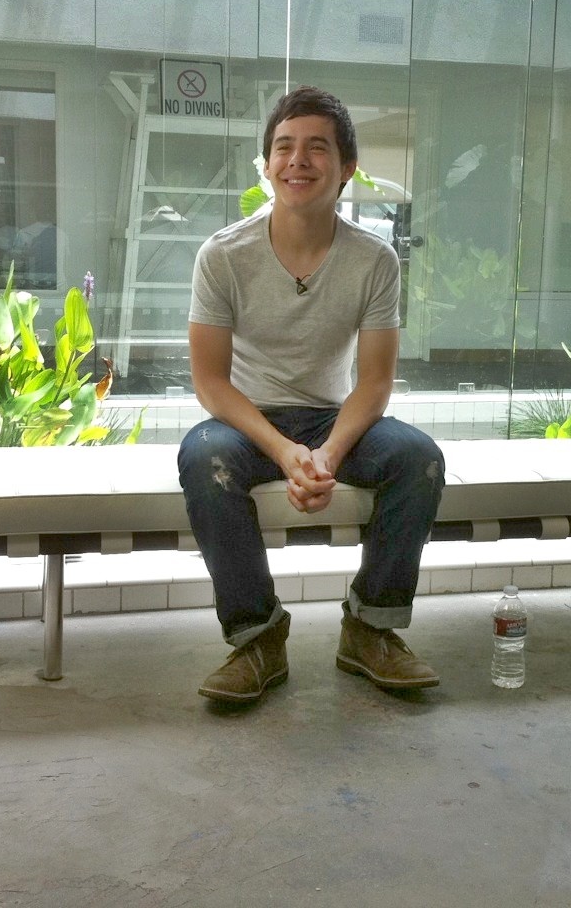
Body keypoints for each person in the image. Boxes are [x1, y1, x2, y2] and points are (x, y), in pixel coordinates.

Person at [177, 85, 446, 705]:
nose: (297, 160)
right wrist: (282, 450)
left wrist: (326, 454)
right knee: (203, 457)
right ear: (267, 163)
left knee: (419, 459)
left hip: (332, 416)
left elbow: (374, 382)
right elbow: (211, 381)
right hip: (246, 423)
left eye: (316, 148)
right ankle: (257, 639)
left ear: (347, 167)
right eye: (283, 147)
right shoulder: (223, 255)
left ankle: (370, 629)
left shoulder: (374, 260)